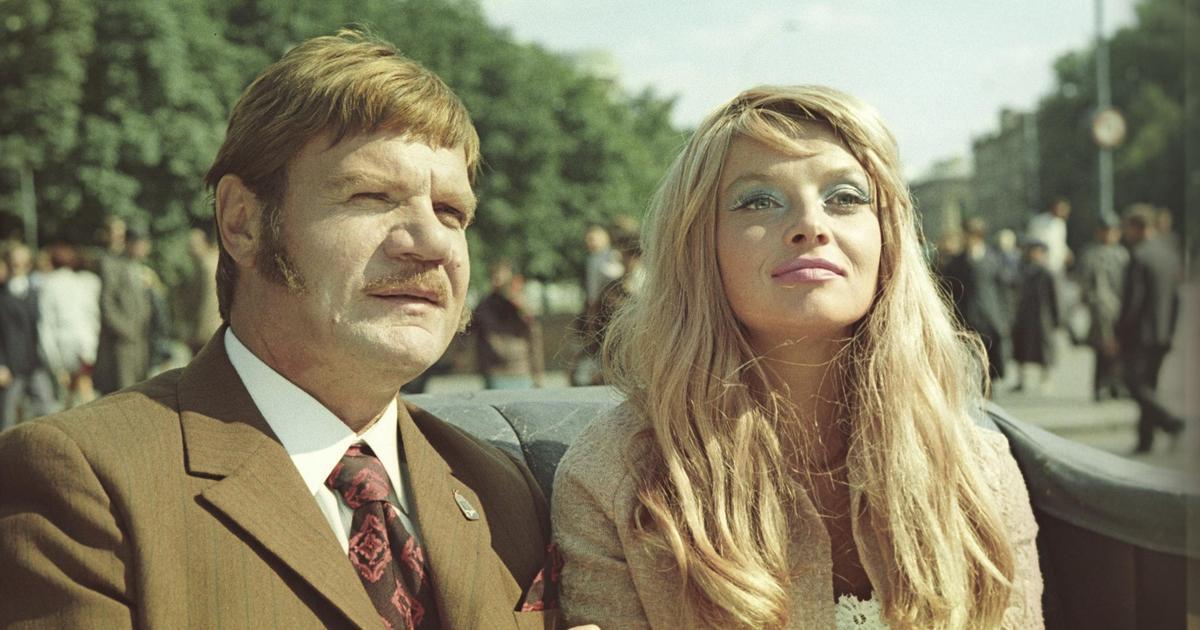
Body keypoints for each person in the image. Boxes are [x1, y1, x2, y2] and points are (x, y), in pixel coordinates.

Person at [0, 30, 568, 629]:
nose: (431, 242)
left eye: (451, 212)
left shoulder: (501, 488)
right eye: (372, 196)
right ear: (242, 222)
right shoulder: (84, 485)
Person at [552, 86, 1043, 629]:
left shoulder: (979, 469)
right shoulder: (613, 478)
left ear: (889, 238)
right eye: (758, 200)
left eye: (846, 197)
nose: (811, 224)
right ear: (697, 245)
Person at [1116, 203, 1184, 453]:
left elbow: (1133, 301)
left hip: (1140, 336)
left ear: (1138, 227)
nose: (1125, 233)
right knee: (1150, 386)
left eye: (1128, 228)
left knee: (1133, 384)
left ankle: (1171, 422)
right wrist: (1171, 331)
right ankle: (1146, 440)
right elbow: (1176, 299)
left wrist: (1119, 332)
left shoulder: (1139, 256)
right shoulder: (1169, 255)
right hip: (1163, 334)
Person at [941, 217, 1013, 386]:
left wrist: (1005, 317)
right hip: (965, 315)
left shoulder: (993, 259)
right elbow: (948, 287)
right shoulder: (957, 261)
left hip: (990, 314)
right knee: (968, 355)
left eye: (973, 235)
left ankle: (989, 386)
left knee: (990, 354)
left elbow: (1004, 289)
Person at [35, 241, 102, 408]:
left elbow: (46, 324)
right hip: (86, 344)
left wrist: (53, 361)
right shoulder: (83, 282)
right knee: (81, 392)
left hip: (63, 348)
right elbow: (92, 315)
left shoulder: (49, 284)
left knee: (71, 397)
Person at [0, 243, 59, 430]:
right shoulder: (2, 295)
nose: (17, 267)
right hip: (11, 367)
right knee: (6, 420)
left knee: (49, 412)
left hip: (35, 363)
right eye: (13, 263)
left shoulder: (36, 293)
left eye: (22, 263)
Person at [92, 220, 153, 394]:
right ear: (130, 243)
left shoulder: (139, 268)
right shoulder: (112, 266)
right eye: (141, 243)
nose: (145, 248)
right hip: (121, 345)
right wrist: (126, 331)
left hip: (141, 343)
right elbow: (107, 304)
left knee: (140, 393)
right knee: (124, 395)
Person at [471, 259, 545, 389]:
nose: (497, 282)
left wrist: (538, 373)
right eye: (495, 277)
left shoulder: (521, 304)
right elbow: (468, 329)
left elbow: (534, 336)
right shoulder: (485, 305)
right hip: (494, 371)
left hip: (521, 370)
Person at [1077, 221, 1129, 401]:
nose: (1108, 235)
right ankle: (1100, 386)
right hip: (1100, 308)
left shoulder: (1122, 254)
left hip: (1120, 307)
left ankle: (1116, 384)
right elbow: (1084, 281)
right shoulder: (1091, 254)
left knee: (1119, 348)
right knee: (1102, 347)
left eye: (1111, 232)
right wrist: (1090, 299)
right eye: (1105, 231)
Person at [1010, 241, 1060, 394]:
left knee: (1044, 348)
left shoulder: (1047, 273)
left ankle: (1046, 378)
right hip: (1024, 315)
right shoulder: (1021, 271)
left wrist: (1057, 318)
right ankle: (1021, 379)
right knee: (1021, 347)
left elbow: (1055, 297)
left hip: (1042, 316)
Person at [180, 227, 223, 356]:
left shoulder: (206, 266)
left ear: (204, 243)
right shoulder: (214, 261)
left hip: (206, 332)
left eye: (194, 245)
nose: (190, 250)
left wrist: (197, 333)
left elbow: (206, 302)